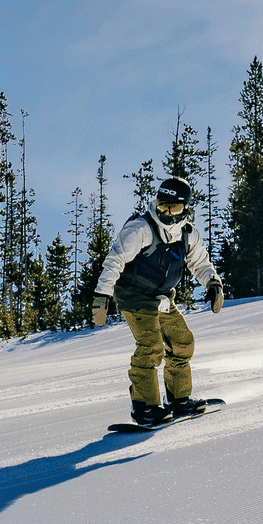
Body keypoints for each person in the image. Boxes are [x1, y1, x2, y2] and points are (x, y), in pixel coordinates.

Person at [91, 176, 225, 427]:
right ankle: (145, 407)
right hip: (135, 296)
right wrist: (102, 296)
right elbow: (115, 260)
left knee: (182, 343)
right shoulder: (141, 228)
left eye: (173, 208)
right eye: (163, 205)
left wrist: (213, 284)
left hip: (162, 298)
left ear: (185, 208)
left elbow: (200, 263)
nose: (166, 212)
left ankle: (179, 400)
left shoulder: (187, 234)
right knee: (151, 347)